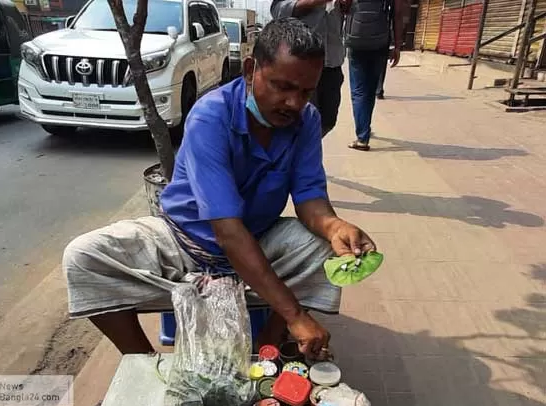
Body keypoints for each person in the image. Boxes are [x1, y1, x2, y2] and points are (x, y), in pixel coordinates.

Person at [63, 18, 376, 359]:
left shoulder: (307, 121)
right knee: (83, 257)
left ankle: (269, 352)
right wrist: (295, 313)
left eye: (305, 91)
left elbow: (310, 198)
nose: (294, 103)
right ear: (250, 69)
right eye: (282, 86)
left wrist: (335, 227)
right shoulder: (211, 116)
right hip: (182, 242)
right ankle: (142, 363)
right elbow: (227, 232)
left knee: (329, 249)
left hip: (258, 238)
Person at [271, 0, 350, 137]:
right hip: (301, 62)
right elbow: (278, 10)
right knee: (302, 120)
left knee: (328, 120)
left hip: (332, 61)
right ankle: (299, 154)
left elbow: (351, 11)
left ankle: (305, 149)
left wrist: (346, 4)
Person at [345, 0, 406, 151]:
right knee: (371, 90)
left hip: (355, 39)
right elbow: (398, 14)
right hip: (379, 42)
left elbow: (343, 7)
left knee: (358, 91)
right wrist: (397, 46)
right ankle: (365, 129)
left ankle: (362, 137)